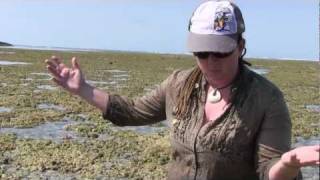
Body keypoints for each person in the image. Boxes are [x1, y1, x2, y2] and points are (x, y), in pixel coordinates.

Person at [45, 1, 319, 179]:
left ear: (239, 45)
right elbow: (130, 111)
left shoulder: (266, 99)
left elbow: (266, 169)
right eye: (201, 52)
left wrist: (287, 163)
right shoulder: (179, 84)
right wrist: (82, 89)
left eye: (220, 52)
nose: (210, 62)